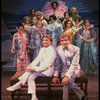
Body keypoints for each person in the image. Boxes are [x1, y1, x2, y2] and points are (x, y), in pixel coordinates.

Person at [7, 34, 56, 100]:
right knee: (31, 77)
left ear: (50, 42)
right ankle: (34, 96)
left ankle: (18, 84)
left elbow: (47, 65)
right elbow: (37, 59)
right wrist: (31, 65)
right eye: (44, 40)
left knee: (30, 73)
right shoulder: (42, 49)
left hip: (47, 70)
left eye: (47, 40)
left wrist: (34, 69)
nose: (45, 41)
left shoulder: (52, 51)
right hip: (41, 68)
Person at [52, 33, 86, 100]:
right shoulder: (57, 49)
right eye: (62, 41)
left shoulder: (76, 49)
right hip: (64, 70)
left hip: (75, 69)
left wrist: (67, 76)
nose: (64, 42)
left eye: (65, 40)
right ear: (60, 42)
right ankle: (82, 95)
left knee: (66, 81)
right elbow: (58, 63)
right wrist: (55, 75)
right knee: (66, 82)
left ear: (69, 40)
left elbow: (74, 64)